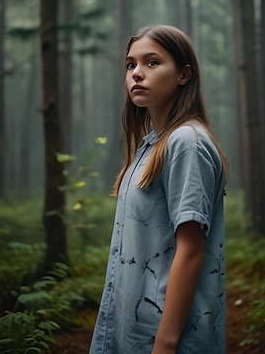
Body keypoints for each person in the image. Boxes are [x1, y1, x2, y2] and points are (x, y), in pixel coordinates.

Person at [90, 25, 228, 354]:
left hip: (163, 336)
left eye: (152, 63)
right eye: (131, 65)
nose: (137, 73)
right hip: (132, 327)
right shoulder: (152, 144)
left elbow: (192, 249)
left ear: (184, 74)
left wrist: (165, 344)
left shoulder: (186, 142)